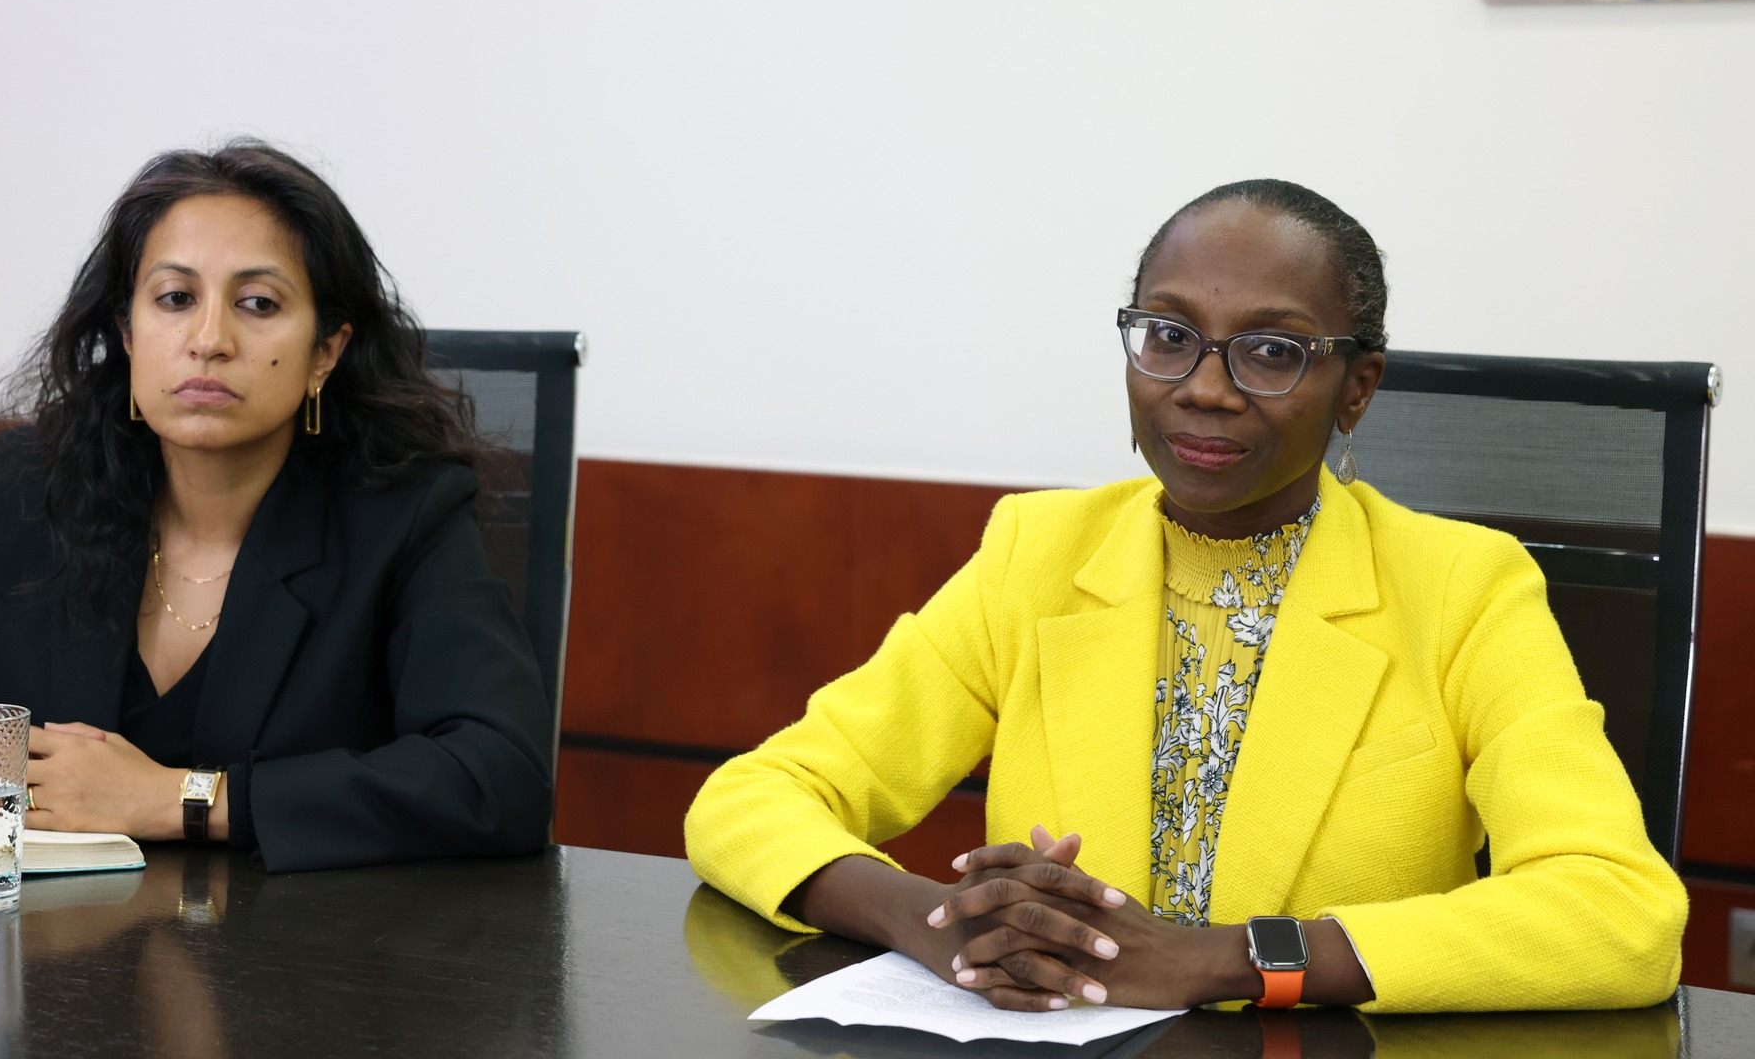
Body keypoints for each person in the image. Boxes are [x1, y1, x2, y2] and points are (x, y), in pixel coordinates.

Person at [684, 180, 1686, 1013]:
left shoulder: (1463, 588)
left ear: (1356, 386)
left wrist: (1229, 958)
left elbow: (1619, 912)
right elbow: (752, 797)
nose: (1203, 386)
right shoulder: (1037, 553)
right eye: (1168, 334)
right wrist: (930, 919)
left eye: (1272, 350)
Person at [0, 143, 553, 872]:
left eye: (258, 303)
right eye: (173, 298)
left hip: (299, 971)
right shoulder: (29, 495)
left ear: (325, 353)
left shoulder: (403, 515)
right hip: (55, 970)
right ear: (127, 335)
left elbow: (500, 776)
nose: (209, 339)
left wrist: (175, 799)